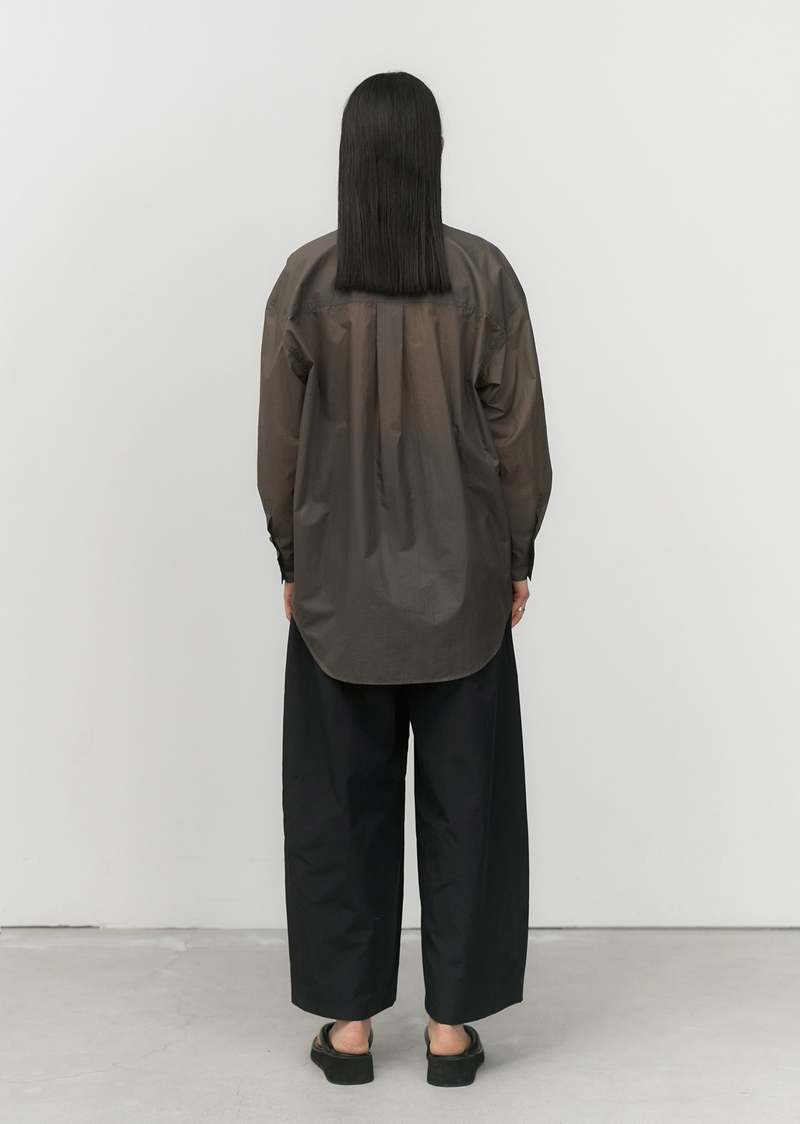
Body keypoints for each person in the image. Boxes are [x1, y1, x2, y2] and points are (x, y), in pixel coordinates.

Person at [257, 71, 552, 1088]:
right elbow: (519, 435)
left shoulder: (305, 278)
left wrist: (291, 558)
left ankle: (347, 1030)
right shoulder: (482, 276)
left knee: (338, 806)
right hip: (463, 589)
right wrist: (516, 557)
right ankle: (449, 1031)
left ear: (350, 157)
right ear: (432, 157)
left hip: (337, 595)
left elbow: (279, 444)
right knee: (468, 807)